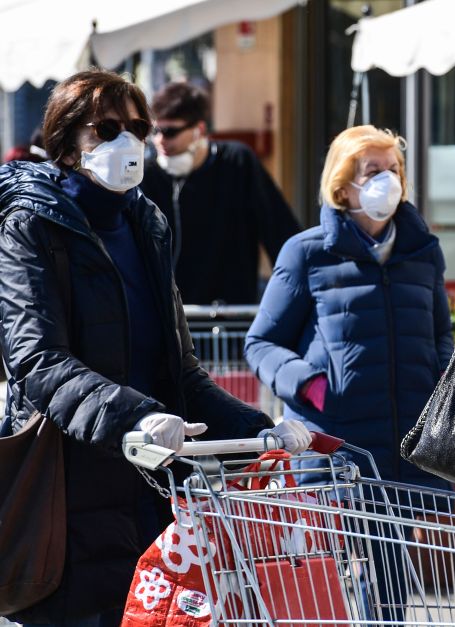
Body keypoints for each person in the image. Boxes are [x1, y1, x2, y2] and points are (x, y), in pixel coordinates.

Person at [0, 69, 310, 627]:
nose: (128, 141)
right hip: (66, 498)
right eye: (108, 128)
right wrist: (136, 417)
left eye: (137, 127)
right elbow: (37, 361)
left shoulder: (146, 223)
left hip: (152, 496)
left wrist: (259, 430)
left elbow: (181, 374)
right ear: (68, 141)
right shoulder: (30, 224)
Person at [244, 124, 454, 620]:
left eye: (394, 170)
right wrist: (311, 385)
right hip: (338, 445)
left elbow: (440, 334)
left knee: (389, 578)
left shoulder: (422, 251)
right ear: (344, 187)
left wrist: (441, 387)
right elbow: (262, 342)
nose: (388, 181)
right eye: (373, 171)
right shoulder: (307, 252)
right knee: (334, 581)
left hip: (405, 445)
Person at [139, 81, 301, 305]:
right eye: (155, 131)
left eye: (170, 132)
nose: (160, 141)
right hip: (169, 317)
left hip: (229, 315)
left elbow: (279, 231)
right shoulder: (147, 175)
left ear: (200, 130)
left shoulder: (237, 162)